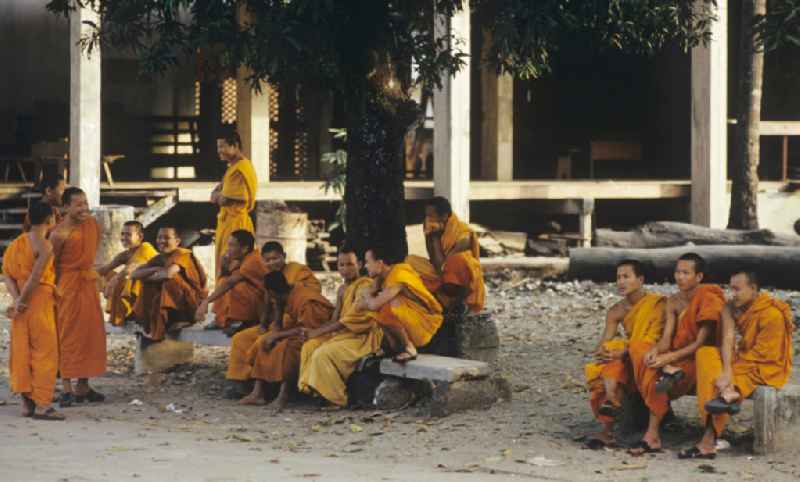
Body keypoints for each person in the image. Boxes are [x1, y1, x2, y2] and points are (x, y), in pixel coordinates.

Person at [680, 270, 794, 459]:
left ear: (753, 289)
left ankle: (708, 441)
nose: (732, 293)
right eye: (730, 288)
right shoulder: (730, 307)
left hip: (765, 366)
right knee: (706, 353)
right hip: (742, 358)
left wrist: (730, 374)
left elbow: (766, 357)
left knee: (716, 385)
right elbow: (727, 338)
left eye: (737, 289)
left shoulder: (772, 313)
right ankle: (727, 395)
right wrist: (726, 372)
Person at [627, 253, 725, 455]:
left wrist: (669, 358)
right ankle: (652, 435)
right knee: (638, 349)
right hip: (676, 358)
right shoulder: (673, 301)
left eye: (685, 273)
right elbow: (666, 339)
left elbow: (700, 343)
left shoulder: (709, 298)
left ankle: (653, 434)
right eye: (677, 272)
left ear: (699, 277)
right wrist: (655, 352)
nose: (679, 277)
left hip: (700, 358)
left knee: (661, 374)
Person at [583, 259, 665, 449]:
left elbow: (656, 339)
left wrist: (624, 350)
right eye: (618, 277)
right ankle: (609, 410)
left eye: (626, 277)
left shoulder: (657, 304)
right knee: (610, 359)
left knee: (620, 356)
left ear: (640, 279)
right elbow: (603, 342)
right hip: (627, 356)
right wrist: (604, 351)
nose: (620, 282)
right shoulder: (616, 310)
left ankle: (607, 429)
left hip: (650, 354)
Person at [223, 241, 321, 399]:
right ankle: (241, 382)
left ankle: (262, 387)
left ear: (284, 257)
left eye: (275, 258)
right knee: (240, 338)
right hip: (277, 322)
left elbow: (310, 295)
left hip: (296, 321)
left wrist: (291, 287)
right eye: (267, 260)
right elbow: (270, 304)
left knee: (263, 342)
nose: (272, 263)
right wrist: (264, 325)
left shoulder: (297, 271)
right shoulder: (268, 277)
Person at [298, 245, 380, 408]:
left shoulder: (365, 285)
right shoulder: (342, 289)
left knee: (323, 353)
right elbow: (336, 318)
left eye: (350, 264)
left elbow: (353, 319)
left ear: (360, 264)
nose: (345, 269)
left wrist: (317, 332)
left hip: (362, 337)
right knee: (310, 346)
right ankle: (317, 392)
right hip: (343, 334)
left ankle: (336, 399)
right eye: (341, 265)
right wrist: (312, 333)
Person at [3, 202, 64, 420]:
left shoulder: (16, 243)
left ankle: (27, 404)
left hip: (21, 302)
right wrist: (23, 302)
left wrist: (17, 300)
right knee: (44, 352)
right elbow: (35, 278)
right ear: (50, 220)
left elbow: (7, 275)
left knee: (22, 351)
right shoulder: (45, 245)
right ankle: (43, 405)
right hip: (37, 302)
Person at [242, 270, 334, 412]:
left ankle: (284, 395)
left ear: (274, 292)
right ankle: (258, 392)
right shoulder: (284, 296)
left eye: (270, 295)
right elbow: (279, 327)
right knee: (264, 342)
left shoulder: (306, 300)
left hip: (319, 334)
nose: (270, 299)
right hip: (299, 332)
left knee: (288, 348)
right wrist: (277, 312)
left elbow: (308, 329)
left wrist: (278, 336)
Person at [50, 187, 107, 406]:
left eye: (85, 203)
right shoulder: (59, 233)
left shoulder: (92, 224)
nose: (84, 208)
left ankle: (83, 385)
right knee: (67, 336)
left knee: (90, 334)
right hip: (67, 286)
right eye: (78, 204)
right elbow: (50, 265)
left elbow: (92, 252)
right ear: (66, 207)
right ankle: (66, 388)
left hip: (88, 284)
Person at [359, 244, 443, 363]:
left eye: (368, 262)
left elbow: (373, 304)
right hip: (411, 323)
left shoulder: (398, 276)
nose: (366, 266)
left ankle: (409, 348)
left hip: (424, 325)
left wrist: (367, 293)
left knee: (392, 302)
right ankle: (394, 347)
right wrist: (369, 294)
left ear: (380, 263)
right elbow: (362, 305)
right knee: (380, 306)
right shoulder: (383, 276)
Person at [406, 196, 485, 313]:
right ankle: (443, 300)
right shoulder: (430, 228)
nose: (427, 219)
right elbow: (433, 258)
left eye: (431, 216)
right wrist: (431, 237)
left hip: (457, 279)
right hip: (441, 272)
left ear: (444, 216)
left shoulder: (463, 235)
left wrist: (436, 238)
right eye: (426, 215)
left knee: (458, 260)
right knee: (409, 261)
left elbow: (444, 267)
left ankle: (458, 301)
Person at [131, 227, 207, 341]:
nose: (161, 241)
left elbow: (168, 274)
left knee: (171, 280)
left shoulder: (183, 254)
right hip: (169, 303)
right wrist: (155, 268)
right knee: (147, 283)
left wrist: (150, 276)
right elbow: (134, 274)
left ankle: (181, 319)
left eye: (166, 238)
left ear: (177, 241)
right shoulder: (159, 258)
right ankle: (151, 324)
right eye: (159, 237)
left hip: (190, 305)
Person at [195, 230, 266, 331]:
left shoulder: (253, 260)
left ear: (244, 248)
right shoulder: (241, 259)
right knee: (222, 281)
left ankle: (241, 320)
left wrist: (206, 301)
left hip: (260, 303)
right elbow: (226, 279)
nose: (228, 249)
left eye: (232, 245)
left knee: (236, 287)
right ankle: (221, 319)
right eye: (228, 245)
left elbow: (230, 283)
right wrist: (224, 267)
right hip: (251, 299)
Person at [211, 130, 257, 277]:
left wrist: (218, 196)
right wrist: (218, 196)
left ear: (235, 146)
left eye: (222, 146)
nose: (219, 151)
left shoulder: (242, 168)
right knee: (224, 262)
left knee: (232, 264)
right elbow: (215, 195)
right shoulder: (232, 168)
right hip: (227, 222)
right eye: (218, 147)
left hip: (236, 224)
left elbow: (222, 198)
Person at [97, 221, 158, 326]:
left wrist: (112, 282)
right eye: (122, 234)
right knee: (107, 275)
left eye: (128, 234)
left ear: (140, 236)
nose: (124, 238)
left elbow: (130, 269)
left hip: (155, 294)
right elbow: (104, 269)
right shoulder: (126, 254)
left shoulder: (145, 248)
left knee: (127, 278)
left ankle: (132, 313)